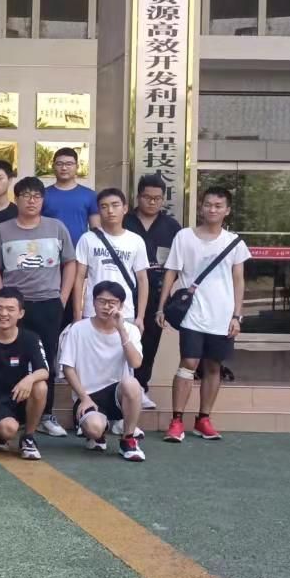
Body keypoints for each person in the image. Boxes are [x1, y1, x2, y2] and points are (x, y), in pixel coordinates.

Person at [158, 186, 251, 443]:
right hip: (192, 314)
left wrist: (237, 316)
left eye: (218, 206)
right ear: (201, 207)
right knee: (188, 363)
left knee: (213, 366)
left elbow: (239, 280)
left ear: (227, 210)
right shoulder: (184, 237)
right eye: (208, 204)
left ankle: (203, 419)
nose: (212, 209)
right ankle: (176, 421)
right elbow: (171, 272)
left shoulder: (234, 242)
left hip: (222, 316)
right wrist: (161, 306)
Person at [0, 176, 75, 438]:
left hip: (48, 303)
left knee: (46, 358)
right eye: (25, 195)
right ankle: (11, 413)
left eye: (36, 196)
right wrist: (2, 297)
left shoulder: (56, 227)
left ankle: (46, 414)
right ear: (16, 199)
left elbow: (70, 263)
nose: (31, 200)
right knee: (10, 357)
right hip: (14, 307)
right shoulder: (1, 231)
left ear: (43, 200)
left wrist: (62, 298)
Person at [60, 281, 146, 462]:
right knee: (94, 428)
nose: (106, 306)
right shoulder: (77, 329)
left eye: (112, 302)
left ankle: (128, 440)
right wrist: (84, 397)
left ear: (121, 306)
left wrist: (121, 329)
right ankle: (99, 433)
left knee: (132, 384)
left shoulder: (130, 330)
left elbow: (136, 363)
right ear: (93, 302)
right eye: (101, 301)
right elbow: (68, 367)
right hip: (88, 395)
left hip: (116, 393)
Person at [0, 288, 48, 459]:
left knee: (40, 386)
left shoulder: (30, 338)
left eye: (10, 309)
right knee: (8, 430)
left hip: (20, 397)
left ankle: (28, 437)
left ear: (21, 313)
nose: (4, 313)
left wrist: (29, 379)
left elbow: (44, 370)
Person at [125, 174, 181, 410]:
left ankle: (141, 387)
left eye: (157, 198)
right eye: (147, 197)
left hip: (157, 294)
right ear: (138, 197)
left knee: (149, 342)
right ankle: (118, 388)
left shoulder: (172, 227)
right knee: (121, 341)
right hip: (125, 293)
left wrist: (164, 298)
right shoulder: (125, 221)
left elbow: (176, 265)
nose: (152, 202)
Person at [73, 188, 149, 324]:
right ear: (98, 211)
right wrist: (77, 314)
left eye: (115, 205)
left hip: (125, 312)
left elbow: (142, 280)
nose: (110, 211)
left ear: (125, 209)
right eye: (104, 206)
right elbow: (79, 278)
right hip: (92, 311)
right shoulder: (87, 239)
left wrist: (141, 317)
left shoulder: (136, 240)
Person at [41, 146, 98, 243]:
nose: (64, 168)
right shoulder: (43, 194)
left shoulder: (89, 195)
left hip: (80, 249)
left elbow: (96, 230)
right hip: (50, 248)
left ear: (77, 167)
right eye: (59, 164)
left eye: (69, 164)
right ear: (53, 166)